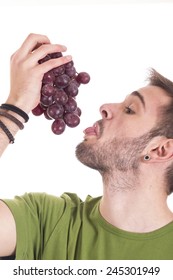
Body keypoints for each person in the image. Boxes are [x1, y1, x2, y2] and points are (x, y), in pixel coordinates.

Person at [0, 33, 173, 260]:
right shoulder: (44, 221)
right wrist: (16, 106)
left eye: (130, 109)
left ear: (159, 150)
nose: (105, 107)